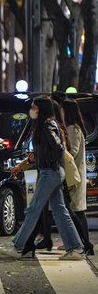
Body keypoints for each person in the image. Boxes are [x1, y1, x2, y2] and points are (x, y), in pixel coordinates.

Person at [0, 96, 84, 260]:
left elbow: (58, 148)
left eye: (33, 106)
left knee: (33, 209)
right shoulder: (49, 124)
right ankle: (76, 248)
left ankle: (17, 247)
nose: (31, 109)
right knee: (60, 211)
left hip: (49, 172)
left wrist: (50, 162)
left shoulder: (46, 124)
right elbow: (47, 150)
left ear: (40, 109)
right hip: (52, 171)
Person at [62, 99, 93, 255]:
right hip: (74, 175)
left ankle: (85, 243)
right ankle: (80, 242)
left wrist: (61, 150)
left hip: (75, 175)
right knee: (75, 210)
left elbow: (72, 152)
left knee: (77, 211)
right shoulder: (73, 128)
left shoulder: (73, 129)